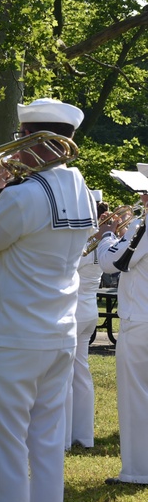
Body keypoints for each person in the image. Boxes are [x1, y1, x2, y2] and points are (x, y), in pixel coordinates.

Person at [0, 99, 95, 502]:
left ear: (33, 140)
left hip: (14, 340)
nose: (13, 146)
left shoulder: (22, 195)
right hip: (58, 336)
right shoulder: (82, 190)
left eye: (20, 136)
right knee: (47, 454)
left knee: (2, 460)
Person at [97, 189, 148, 481]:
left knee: (135, 397)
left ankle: (137, 470)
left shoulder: (144, 227)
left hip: (140, 318)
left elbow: (114, 263)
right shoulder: (139, 228)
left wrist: (106, 235)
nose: (141, 198)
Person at [66, 189, 102, 450]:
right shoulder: (107, 239)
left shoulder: (84, 239)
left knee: (65, 375)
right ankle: (84, 435)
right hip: (90, 309)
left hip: (75, 309)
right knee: (81, 371)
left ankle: (67, 436)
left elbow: (66, 266)